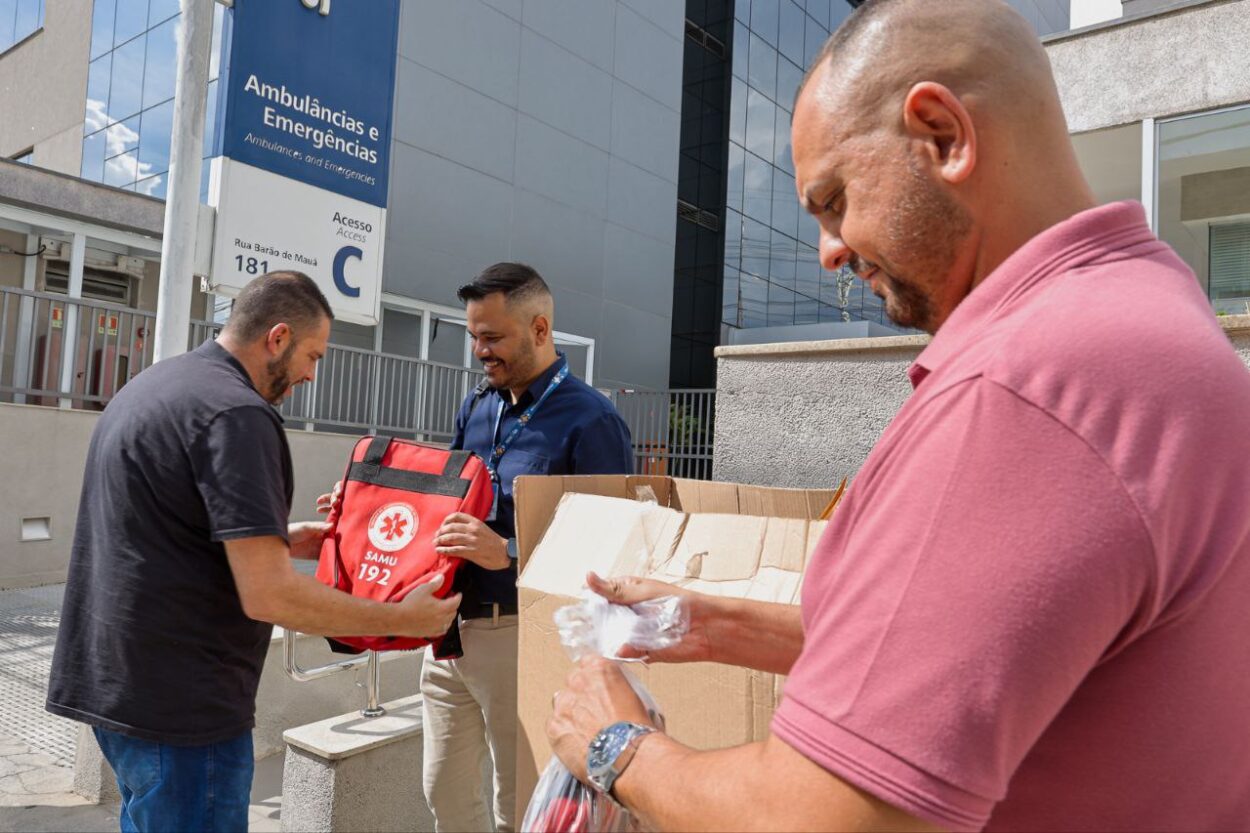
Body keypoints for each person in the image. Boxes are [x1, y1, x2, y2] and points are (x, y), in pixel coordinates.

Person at [545, 1, 1250, 830]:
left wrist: (617, 746)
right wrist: (705, 621)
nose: (829, 251)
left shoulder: (1025, 390)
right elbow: (965, 659)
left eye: (834, 199)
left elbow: (831, 816)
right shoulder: (1145, 322)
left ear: (943, 135)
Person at [47, 272, 462, 833]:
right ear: (278, 337)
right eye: (312, 355)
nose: (312, 374)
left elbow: (164, 528)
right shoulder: (238, 415)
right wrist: (401, 619)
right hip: (184, 709)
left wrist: (280, 538)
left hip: (117, 687)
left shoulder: (157, 385)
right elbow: (271, 595)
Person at [319, 262, 634, 832]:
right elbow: (446, 497)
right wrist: (363, 506)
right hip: (449, 636)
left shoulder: (593, 421)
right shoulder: (477, 407)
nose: (479, 352)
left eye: (493, 338)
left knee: (518, 804)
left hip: (522, 636)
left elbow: (612, 547)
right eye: (473, 337)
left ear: (540, 330)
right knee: (443, 793)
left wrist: (507, 553)